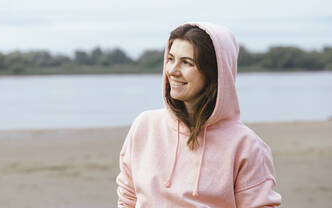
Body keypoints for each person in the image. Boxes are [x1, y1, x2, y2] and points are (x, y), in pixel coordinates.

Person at [116, 22, 282, 207]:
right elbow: (128, 199)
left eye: (186, 62)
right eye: (170, 59)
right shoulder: (145, 126)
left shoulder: (247, 146)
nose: (172, 71)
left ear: (214, 72)